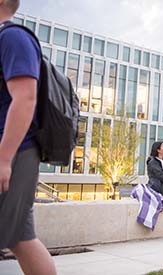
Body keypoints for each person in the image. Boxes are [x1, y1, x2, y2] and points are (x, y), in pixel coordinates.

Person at [0, 1, 57, 274]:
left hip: (14, 152)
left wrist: (3, 159)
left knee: (20, 238)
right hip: (11, 154)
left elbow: (25, 98)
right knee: (21, 238)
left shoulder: (13, 37)